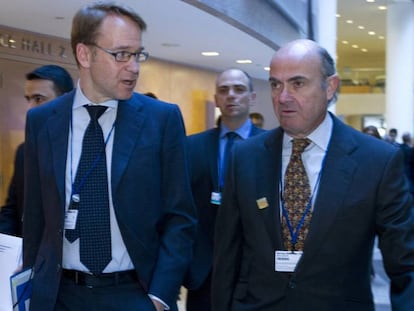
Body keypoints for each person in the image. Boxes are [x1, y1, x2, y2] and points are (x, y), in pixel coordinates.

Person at [212, 39, 414, 310]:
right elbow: (228, 254)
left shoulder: (377, 161)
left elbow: (405, 264)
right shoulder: (245, 157)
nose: (283, 97)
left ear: (330, 87)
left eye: (297, 83)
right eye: (275, 84)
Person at [23, 2, 196, 311]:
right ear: (84, 54)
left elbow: (180, 218)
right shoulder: (43, 121)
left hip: (133, 294)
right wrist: (31, 286)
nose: (134, 67)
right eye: (121, 55)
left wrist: (159, 297)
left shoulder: (162, 120)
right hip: (59, 296)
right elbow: (35, 215)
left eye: (138, 54)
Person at [184, 68, 265, 311]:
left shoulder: (271, 147)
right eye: (224, 90)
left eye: (239, 89)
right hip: (204, 271)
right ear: (216, 99)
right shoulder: (191, 146)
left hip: (254, 270)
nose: (231, 95)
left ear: (251, 97)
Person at [0, 64, 74, 237]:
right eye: (29, 99)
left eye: (39, 99)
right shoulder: (23, 152)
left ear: (66, 102)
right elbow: (13, 208)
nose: (30, 108)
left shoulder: (87, 151)